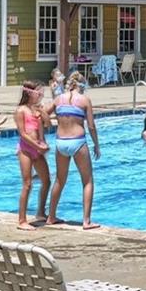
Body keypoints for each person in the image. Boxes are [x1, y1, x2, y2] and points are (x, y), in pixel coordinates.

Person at [46, 75, 101, 228]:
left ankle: (51, 217)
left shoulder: (58, 99)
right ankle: (86, 221)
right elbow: (91, 126)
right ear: (81, 85)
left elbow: (42, 113)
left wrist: (48, 125)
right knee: (87, 181)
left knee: (59, 180)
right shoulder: (84, 100)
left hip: (61, 142)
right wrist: (96, 145)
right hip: (78, 141)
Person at [13, 82, 50, 228]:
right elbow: (23, 134)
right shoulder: (20, 110)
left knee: (46, 181)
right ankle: (22, 220)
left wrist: (43, 114)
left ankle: (40, 212)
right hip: (26, 150)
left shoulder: (36, 110)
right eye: (38, 93)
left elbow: (47, 126)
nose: (40, 95)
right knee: (27, 184)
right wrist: (37, 146)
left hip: (37, 149)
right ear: (29, 93)